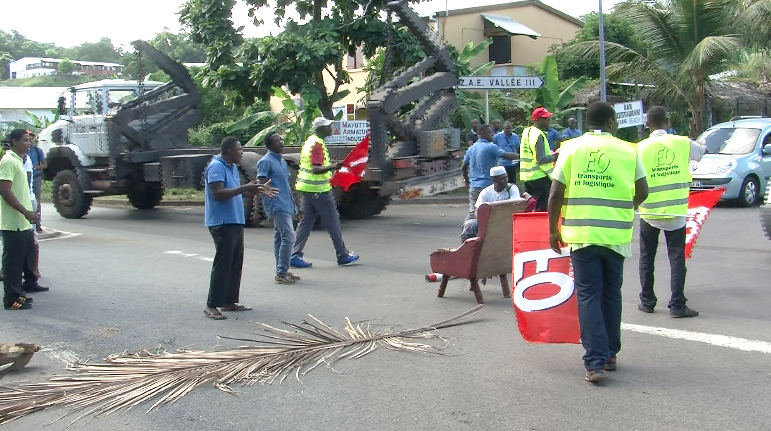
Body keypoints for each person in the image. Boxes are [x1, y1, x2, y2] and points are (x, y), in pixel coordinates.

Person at [547, 102, 648, 383]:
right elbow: (642, 191)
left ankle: (595, 362)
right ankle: (610, 354)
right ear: (613, 122)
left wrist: (553, 230)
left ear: (586, 123)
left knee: (589, 295)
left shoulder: (570, 148)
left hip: (582, 235)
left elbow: (555, 194)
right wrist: (623, 208)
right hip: (615, 235)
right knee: (611, 294)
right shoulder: (629, 150)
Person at [637, 106, 705, 318]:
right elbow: (701, 153)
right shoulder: (682, 142)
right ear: (667, 122)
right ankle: (677, 304)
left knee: (647, 257)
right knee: (676, 257)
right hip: (675, 211)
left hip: (649, 211)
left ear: (647, 124)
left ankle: (647, 301)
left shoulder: (639, 147)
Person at [203, 136, 277, 320]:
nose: (242, 153)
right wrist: (245, 188)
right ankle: (211, 305)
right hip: (221, 222)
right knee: (223, 264)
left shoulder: (232, 167)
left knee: (235, 263)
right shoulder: (217, 166)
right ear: (229, 152)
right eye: (239, 150)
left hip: (234, 221)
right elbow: (218, 194)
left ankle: (228, 301)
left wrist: (253, 191)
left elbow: (236, 191)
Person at [290, 117, 359, 268]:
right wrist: (334, 166)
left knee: (306, 222)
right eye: (328, 126)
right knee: (333, 221)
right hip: (318, 190)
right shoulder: (317, 144)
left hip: (308, 189)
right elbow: (316, 169)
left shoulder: (311, 141)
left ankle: (294, 255)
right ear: (320, 129)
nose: (331, 128)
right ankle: (342, 255)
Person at [1, 130, 49, 311]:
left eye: (30, 141)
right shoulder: (8, 161)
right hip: (13, 220)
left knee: (21, 258)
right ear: (14, 142)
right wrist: (24, 211)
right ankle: (11, 299)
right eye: (25, 141)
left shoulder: (19, 160)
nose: (29, 144)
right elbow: (5, 190)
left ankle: (20, 293)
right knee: (12, 262)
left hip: (22, 221)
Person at [257, 132, 301, 285]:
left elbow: (286, 184)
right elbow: (261, 183)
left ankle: (282, 269)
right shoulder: (265, 161)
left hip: (286, 202)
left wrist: (295, 204)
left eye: (281, 140)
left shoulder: (281, 160)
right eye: (277, 141)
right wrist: (265, 191)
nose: (281, 143)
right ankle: (281, 272)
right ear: (269, 145)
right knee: (289, 236)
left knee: (279, 237)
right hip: (276, 203)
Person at [462, 124, 519, 222]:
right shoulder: (491, 147)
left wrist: (466, 181)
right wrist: (522, 156)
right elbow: (505, 155)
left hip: (474, 186)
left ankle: (469, 232)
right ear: (480, 134)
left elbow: (464, 166)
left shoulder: (471, 148)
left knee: (473, 214)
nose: (492, 134)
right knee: (491, 215)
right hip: (488, 186)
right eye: (489, 132)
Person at [460, 166, 528, 241]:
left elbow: (513, 207)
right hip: (489, 222)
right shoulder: (486, 192)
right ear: (494, 180)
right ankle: (467, 247)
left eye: (506, 177)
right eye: (502, 178)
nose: (505, 180)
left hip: (507, 221)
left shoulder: (512, 188)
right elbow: (478, 211)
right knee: (470, 225)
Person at [520, 107, 559, 211]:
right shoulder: (538, 135)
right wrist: (556, 156)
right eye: (545, 119)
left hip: (528, 177)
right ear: (537, 120)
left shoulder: (527, 131)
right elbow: (540, 160)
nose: (548, 121)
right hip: (539, 178)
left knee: (530, 207)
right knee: (541, 209)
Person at [27, 133, 46, 233]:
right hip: (25, 179)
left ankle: (37, 224)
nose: (29, 141)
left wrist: (36, 168)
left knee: (36, 201)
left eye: (31, 139)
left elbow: (44, 164)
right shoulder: (22, 151)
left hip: (36, 178)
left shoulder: (37, 151)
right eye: (27, 139)